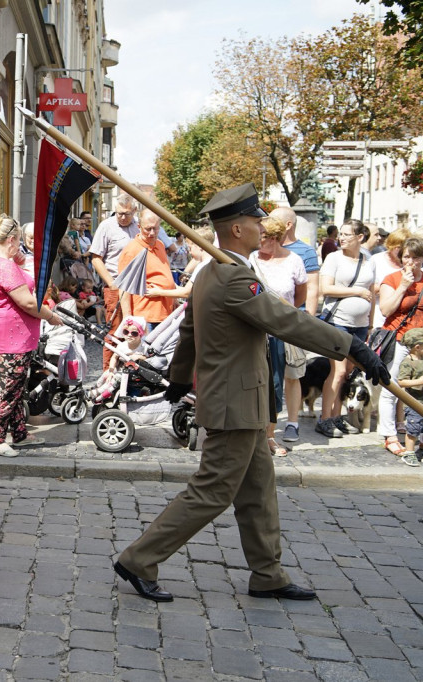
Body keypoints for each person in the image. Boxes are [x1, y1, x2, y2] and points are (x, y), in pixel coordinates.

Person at [114, 183, 389, 604]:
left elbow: (189, 332)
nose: (263, 226)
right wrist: (351, 345)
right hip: (234, 403)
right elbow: (286, 320)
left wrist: (181, 378)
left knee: (258, 490)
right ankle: (139, 559)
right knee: (213, 491)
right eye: (256, 220)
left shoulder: (210, 273)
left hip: (242, 399)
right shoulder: (233, 275)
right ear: (238, 228)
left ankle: (267, 574)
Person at [0, 214, 62, 457]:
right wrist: (50, 316)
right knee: (7, 389)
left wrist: (20, 262)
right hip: (9, 337)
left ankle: (19, 432)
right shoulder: (3, 265)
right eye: (19, 242)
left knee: (14, 387)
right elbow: (26, 302)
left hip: (7, 335)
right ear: (12, 239)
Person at [250, 216, 307, 455]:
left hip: (279, 331)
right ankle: (252, 433)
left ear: (274, 239)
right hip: (254, 330)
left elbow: (300, 297)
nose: (258, 241)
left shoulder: (293, 260)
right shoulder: (252, 258)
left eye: (262, 237)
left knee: (275, 383)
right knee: (252, 383)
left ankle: (270, 435)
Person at [317, 219, 375, 438]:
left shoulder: (368, 260)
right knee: (338, 371)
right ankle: (325, 419)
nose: (341, 237)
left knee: (349, 373)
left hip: (360, 325)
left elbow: (370, 291)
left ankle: (336, 416)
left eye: (347, 234)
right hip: (338, 320)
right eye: (340, 233)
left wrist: (369, 323)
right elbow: (325, 288)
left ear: (360, 237)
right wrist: (357, 293)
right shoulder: (334, 258)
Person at [376, 237, 423, 457]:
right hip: (398, 340)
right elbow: (385, 310)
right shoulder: (392, 279)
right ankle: (390, 435)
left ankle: (415, 434)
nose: (411, 262)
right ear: (400, 257)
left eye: (416, 257)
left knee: (418, 389)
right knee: (391, 388)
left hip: (420, 345)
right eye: (407, 257)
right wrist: (403, 286)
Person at [90, 194, 140, 368]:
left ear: (134, 211)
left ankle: (130, 371)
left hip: (137, 287)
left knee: (135, 329)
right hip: (115, 286)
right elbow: (95, 258)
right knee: (115, 329)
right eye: (119, 213)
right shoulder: (106, 226)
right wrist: (111, 282)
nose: (123, 217)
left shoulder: (140, 226)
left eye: (126, 213)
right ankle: (108, 373)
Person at [117, 209, 176, 327]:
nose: (152, 233)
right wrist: (128, 317)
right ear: (139, 226)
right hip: (145, 316)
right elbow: (124, 288)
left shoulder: (160, 244)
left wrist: (174, 300)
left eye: (156, 228)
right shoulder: (132, 250)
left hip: (166, 312)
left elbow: (165, 274)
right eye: (148, 229)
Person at [271, 206, 320, 316]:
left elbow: (312, 289)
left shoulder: (307, 252)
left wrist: (309, 322)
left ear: (288, 225)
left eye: (274, 221)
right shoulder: (264, 248)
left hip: (294, 316)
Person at [397, 328, 423, 467]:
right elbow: (401, 382)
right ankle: (409, 452)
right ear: (417, 347)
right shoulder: (408, 362)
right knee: (413, 428)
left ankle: (421, 451)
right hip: (413, 402)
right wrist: (419, 381)